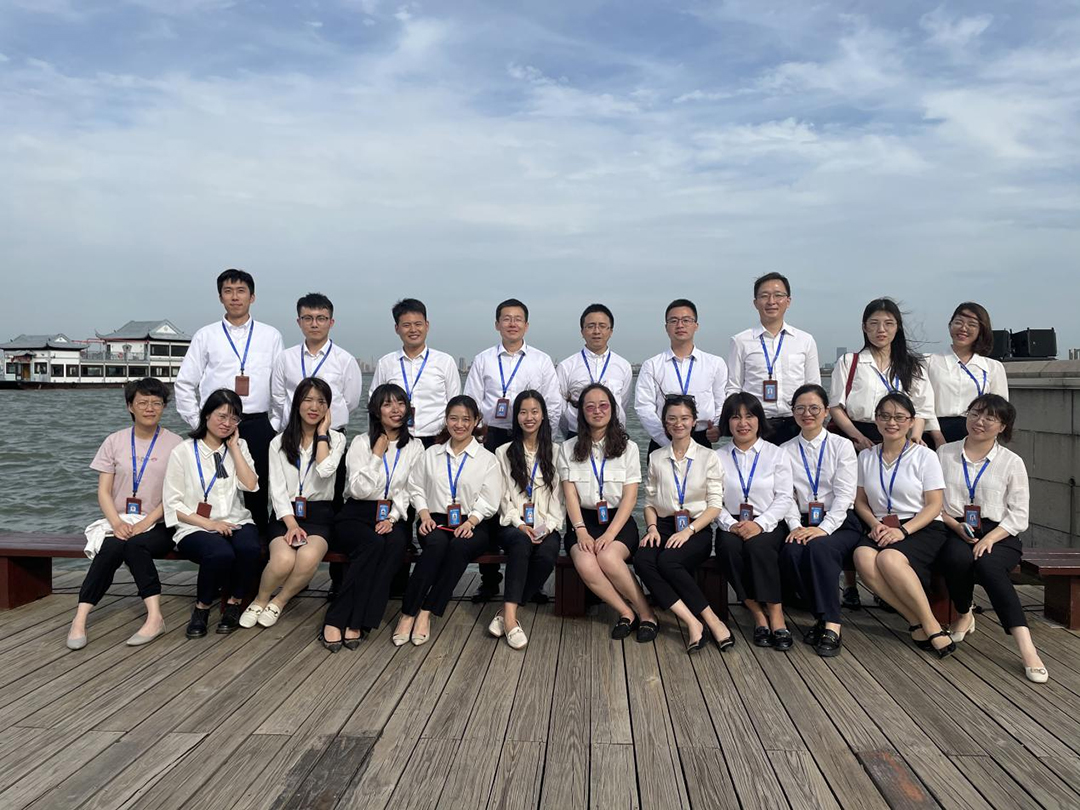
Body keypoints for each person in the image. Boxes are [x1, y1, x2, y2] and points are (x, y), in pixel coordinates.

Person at [936, 395, 1048, 682]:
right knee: (955, 557)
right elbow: (934, 503)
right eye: (974, 414)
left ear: (1002, 427)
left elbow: (1019, 515)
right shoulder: (944, 453)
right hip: (955, 526)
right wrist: (954, 525)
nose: (979, 422)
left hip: (1000, 532)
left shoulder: (1011, 462)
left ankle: (1027, 647)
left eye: (990, 418)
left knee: (988, 566)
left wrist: (991, 538)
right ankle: (964, 612)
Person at [67, 379, 183, 650]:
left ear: (164, 407)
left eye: (156, 403)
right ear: (130, 406)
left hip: (160, 522)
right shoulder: (114, 441)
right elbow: (103, 491)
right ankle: (79, 619)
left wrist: (147, 521)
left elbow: (175, 495)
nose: (149, 408)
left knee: (134, 545)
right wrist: (116, 522)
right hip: (121, 520)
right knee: (110, 547)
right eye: (142, 403)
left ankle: (155, 618)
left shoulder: (177, 444)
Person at [464, 298, 560, 602]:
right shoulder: (483, 360)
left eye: (518, 319)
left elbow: (552, 403)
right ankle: (489, 579)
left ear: (526, 325)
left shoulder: (541, 360)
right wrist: (478, 437)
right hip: (493, 437)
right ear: (497, 324)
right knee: (491, 505)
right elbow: (472, 400)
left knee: (533, 496)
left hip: (530, 435)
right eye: (506, 318)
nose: (512, 324)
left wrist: (543, 437)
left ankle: (532, 583)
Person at [175, 269, 283, 533]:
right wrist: (200, 423)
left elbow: (281, 387)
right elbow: (185, 383)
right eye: (228, 291)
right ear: (220, 297)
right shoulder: (206, 335)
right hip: (215, 425)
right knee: (212, 487)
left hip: (258, 424)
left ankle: (258, 546)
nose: (235, 297)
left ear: (252, 297)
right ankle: (214, 540)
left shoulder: (270, 335)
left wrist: (275, 425)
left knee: (258, 490)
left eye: (241, 291)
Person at [321, 383, 425, 651]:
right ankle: (337, 618)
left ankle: (359, 620)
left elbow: (410, 489)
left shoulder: (415, 447)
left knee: (394, 545)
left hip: (392, 513)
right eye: (388, 404)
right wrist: (377, 454)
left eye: (400, 403)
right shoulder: (360, 443)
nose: (396, 409)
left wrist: (392, 518)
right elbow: (358, 489)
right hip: (357, 512)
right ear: (377, 411)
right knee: (372, 544)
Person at [392, 395, 502, 646]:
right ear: (446, 420)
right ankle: (407, 614)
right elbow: (415, 487)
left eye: (466, 419)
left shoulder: (487, 459)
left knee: (459, 547)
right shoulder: (432, 454)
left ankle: (426, 611)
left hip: (473, 522)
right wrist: (423, 515)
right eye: (454, 418)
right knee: (436, 545)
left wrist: (471, 521)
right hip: (435, 519)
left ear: (476, 421)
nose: (459, 424)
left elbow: (490, 499)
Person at [852, 393, 954, 658]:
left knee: (889, 559)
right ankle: (914, 619)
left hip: (920, 525)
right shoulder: (866, 457)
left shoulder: (925, 456)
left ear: (911, 422)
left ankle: (931, 623)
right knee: (862, 556)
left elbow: (934, 505)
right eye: (885, 416)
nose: (892, 422)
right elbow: (860, 501)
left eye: (899, 417)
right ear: (876, 420)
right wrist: (873, 523)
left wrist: (903, 531)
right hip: (881, 524)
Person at [240, 378, 345, 631]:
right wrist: (291, 524)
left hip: (319, 515)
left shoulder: (337, 440)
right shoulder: (278, 442)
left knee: (307, 557)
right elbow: (276, 490)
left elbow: (325, 470)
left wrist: (322, 435)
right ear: (297, 404)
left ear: (328, 408)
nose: (314, 407)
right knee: (282, 561)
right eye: (308, 400)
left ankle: (279, 601)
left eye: (321, 402)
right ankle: (260, 599)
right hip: (285, 513)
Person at [636, 395, 733, 653]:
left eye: (684, 418)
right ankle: (692, 621)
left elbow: (715, 506)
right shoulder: (656, 457)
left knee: (668, 561)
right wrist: (652, 528)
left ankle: (712, 619)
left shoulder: (708, 457)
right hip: (663, 525)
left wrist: (689, 531)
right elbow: (649, 502)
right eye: (672, 419)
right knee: (643, 560)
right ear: (665, 423)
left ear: (694, 422)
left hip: (696, 527)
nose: (678, 423)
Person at [560, 383, 657, 642]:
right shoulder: (567, 448)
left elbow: (630, 497)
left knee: (608, 557)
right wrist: (581, 531)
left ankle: (647, 614)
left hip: (618, 521)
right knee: (586, 563)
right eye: (590, 406)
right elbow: (570, 495)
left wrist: (610, 534)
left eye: (603, 405)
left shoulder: (629, 448)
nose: (597, 411)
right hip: (582, 521)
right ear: (582, 412)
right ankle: (626, 612)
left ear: (613, 409)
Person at [163, 389, 262, 638]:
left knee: (250, 548)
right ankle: (202, 608)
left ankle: (234, 603)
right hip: (194, 525)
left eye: (234, 418)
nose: (227, 423)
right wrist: (209, 524)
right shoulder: (183, 451)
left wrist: (235, 449)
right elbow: (173, 504)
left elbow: (251, 485)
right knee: (220, 552)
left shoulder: (239, 446)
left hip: (236, 519)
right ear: (207, 414)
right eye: (221, 416)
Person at [777, 384, 860, 657]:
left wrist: (823, 528)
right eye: (800, 408)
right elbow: (786, 495)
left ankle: (833, 624)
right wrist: (796, 526)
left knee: (819, 548)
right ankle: (821, 616)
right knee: (790, 552)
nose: (807, 413)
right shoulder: (785, 450)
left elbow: (845, 496)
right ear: (793, 412)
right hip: (802, 520)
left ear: (826, 412)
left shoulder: (841, 445)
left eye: (814, 408)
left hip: (839, 521)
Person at [713, 393, 796, 649]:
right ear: (727, 422)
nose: (743, 423)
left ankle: (776, 614)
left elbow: (784, 497)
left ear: (759, 419)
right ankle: (758, 614)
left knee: (759, 547)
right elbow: (712, 499)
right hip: (731, 522)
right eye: (735, 417)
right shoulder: (717, 457)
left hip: (767, 521)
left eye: (749, 416)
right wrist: (730, 524)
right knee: (727, 549)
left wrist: (760, 524)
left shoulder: (777, 454)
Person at [491, 390, 565, 649]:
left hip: (546, 525)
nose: (529, 417)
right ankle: (512, 622)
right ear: (516, 417)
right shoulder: (503, 452)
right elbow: (502, 498)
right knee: (521, 543)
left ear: (543, 416)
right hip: (513, 524)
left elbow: (559, 501)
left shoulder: (557, 453)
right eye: (523, 412)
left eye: (534, 412)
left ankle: (505, 611)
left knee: (547, 555)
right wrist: (521, 524)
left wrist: (546, 527)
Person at [726, 272, 821, 445]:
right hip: (756, 425)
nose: (771, 301)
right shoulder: (740, 341)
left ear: (788, 301)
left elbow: (814, 387)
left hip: (797, 423)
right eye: (764, 296)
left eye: (778, 295)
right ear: (755, 303)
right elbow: (733, 387)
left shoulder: (805, 340)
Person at [829, 297, 934, 450]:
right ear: (864, 327)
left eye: (888, 323)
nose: (881, 329)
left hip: (899, 438)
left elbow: (922, 408)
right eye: (874, 323)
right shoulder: (849, 362)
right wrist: (858, 437)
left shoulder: (912, 366)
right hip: (856, 439)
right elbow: (835, 406)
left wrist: (914, 437)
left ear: (898, 327)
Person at [635, 298, 729, 454]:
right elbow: (644, 407)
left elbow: (721, 402)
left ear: (696, 325)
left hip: (701, 437)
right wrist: (665, 439)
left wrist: (717, 427)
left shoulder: (715, 363)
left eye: (686, 320)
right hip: (664, 439)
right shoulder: (651, 365)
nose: (680, 325)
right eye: (674, 321)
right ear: (666, 327)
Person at [370, 298, 461, 448]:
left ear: (427, 325)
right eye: (406, 325)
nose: (413, 330)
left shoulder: (445, 361)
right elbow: (375, 404)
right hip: (397, 438)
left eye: (418, 324)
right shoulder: (386, 363)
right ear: (397, 328)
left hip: (437, 439)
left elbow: (454, 402)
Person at [270, 292, 362, 433]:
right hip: (293, 433)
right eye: (308, 318)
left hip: (332, 433)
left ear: (331, 322)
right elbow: (278, 399)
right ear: (299, 322)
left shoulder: (345, 360)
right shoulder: (285, 358)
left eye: (321, 319)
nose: (314, 324)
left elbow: (351, 403)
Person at [925, 303, 1009, 448]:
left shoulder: (992, 367)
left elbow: (999, 409)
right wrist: (938, 438)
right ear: (950, 325)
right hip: (934, 434)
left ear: (981, 330)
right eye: (958, 322)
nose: (963, 328)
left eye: (972, 324)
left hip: (976, 433)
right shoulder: (928, 361)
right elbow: (922, 404)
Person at [556, 303, 633, 439]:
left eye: (602, 326)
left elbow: (623, 404)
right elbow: (560, 410)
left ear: (611, 331)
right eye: (591, 326)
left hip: (613, 436)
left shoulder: (623, 366)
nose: (597, 331)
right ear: (582, 331)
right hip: (577, 435)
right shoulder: (566, 366)